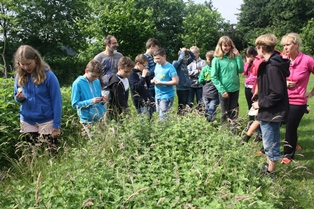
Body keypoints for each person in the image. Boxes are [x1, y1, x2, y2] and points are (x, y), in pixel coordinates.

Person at [252, 34, 290, 175]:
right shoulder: (271, 63)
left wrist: (260, 104)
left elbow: (277, 92)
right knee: (270, 139)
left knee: (270, 142)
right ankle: (269, 168)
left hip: (271, 111)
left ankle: (271, 173)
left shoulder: (272, 67)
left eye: (257, 49)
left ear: (261, 48)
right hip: (270, 110)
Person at [14, 45, 62, 148]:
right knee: (29, 153)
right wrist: (19, 98)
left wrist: (56, 125)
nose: (26, 67)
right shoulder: (19, 76)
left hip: (46, 120)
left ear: (36, 59)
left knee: (50, 152)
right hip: (27, 120)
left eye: (28, 64)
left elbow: (57, 101)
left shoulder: (49, 76)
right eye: (23, 64)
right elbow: (16, 97)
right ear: (18, 63)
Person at [280, 33, 314, 164]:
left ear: (296, 45)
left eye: (288, 45)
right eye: (284, 45)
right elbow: (274, 77)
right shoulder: (283, 59)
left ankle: (288, 155)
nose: (285, 48)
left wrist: (311, 93)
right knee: (274, 123)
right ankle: (268, 149)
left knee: (290, 127)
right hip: (281, 99)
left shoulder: (307, 60)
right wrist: (284, 82)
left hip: (298, 101)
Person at [211, 36, 244, 130]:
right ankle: (223, 132)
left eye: (229, 46)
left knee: (233, 112)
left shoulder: (234, 57)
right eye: (225, 46)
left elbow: (241, 70)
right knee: (224, 112)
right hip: (224, 90)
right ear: (220, 46)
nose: (227, 48)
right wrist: (222, 90)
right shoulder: (217, 59)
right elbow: (214, 77)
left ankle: (232, 131)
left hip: (235, 88)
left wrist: (238, 56)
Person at [71, 60, 107, 139]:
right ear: (86, 71)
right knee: (95, 142)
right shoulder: (77, 83)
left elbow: (98, 97)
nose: (95, 78)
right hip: (88, 120)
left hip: (100, 117)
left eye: (97, 76)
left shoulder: (96, 81)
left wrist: (102, 100)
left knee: (103, 140)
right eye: (93, 76)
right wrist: (91, 101)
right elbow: (75, 104)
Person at [151, 48, 179, 121]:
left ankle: (164, 130)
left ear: (164, 56)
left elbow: (175, 81)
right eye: (155, 59)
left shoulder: (170, 67)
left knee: (163, 117)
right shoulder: (157, 65)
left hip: (167, 95)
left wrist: (161, 83)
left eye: (158, 58)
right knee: (159, 114)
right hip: (157, 94)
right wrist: (154, 79)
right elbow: (157, 75)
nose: (156, 60)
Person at [106, 56, 135, 121]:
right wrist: (127, 112)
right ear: (119, 68)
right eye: (126, 72)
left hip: (123, 110)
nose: (128, 74)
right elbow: (120, 100)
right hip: (116, 113)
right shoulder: (115, 82)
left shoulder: (125, 78)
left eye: (130, 72)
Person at [198, 50, 219, 122]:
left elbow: (200, 80)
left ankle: (208, 121)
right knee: (213, 107)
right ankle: (211, 120)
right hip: (215, 93)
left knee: (207, 108)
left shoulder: (205, 69)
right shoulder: (218, 69)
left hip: (206, 92)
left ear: (208, 59)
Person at [173, 47, 195, 114]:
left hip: (187, 87)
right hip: (180, 88)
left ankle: (186, 117)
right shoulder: (176, 63)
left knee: (188, 104)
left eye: (187, 57)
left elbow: (193, 57)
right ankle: (180, 116)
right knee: (181, 104)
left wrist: (189, 51)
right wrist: (182, 51)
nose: (185, 59)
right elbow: (180, 59)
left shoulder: (185, 63)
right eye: (185, 57)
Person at [144, 38, 161, 114]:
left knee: (155, 108)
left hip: (153, 86)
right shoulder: (145, 57)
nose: (156, 51)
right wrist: (156, 67)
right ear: (152, 46)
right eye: (156, 48)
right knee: (151, 108)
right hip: (149, 86)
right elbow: (146, 73)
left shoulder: (151, 57)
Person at [243, 46, 258, 121]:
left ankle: (258, 124)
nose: (249, 58)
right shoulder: (247, 63)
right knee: (250, 105)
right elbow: (244, 72)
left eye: (251, 56)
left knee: (257, 105)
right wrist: (247, 63)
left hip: (255, 87)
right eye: (247, 56)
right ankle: (251, 121)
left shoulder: (257, 62)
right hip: (247, 86)